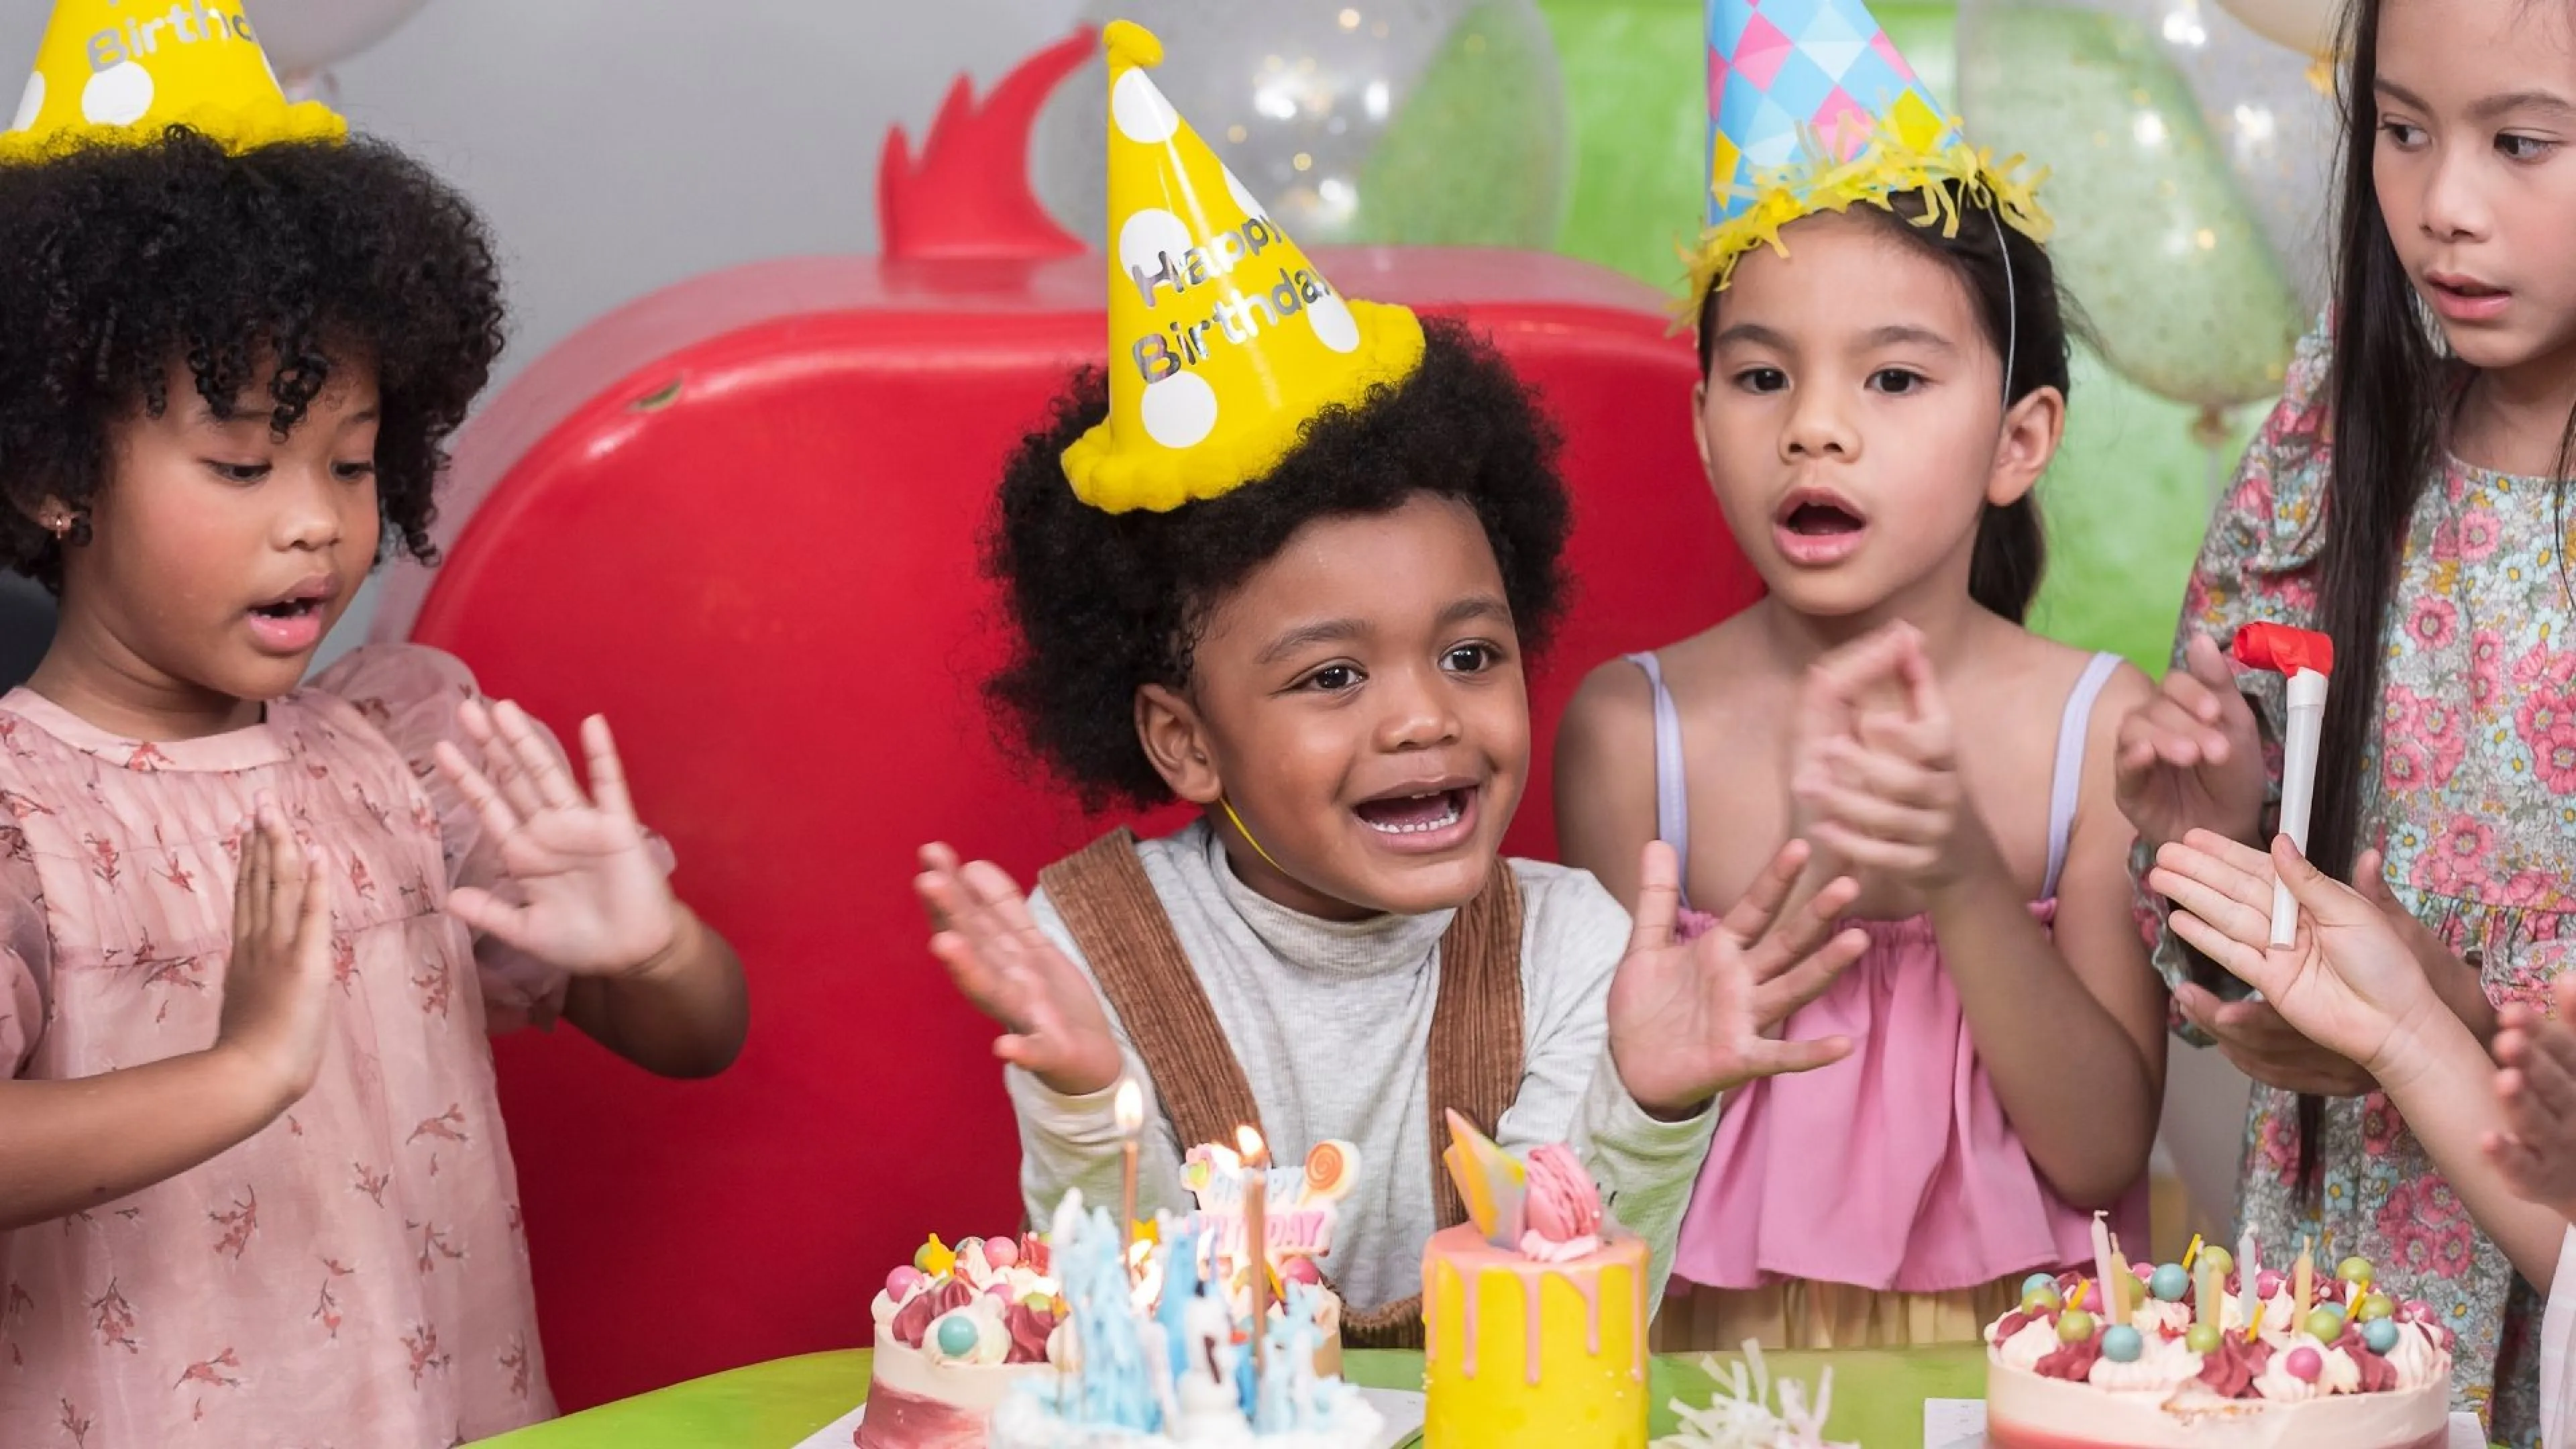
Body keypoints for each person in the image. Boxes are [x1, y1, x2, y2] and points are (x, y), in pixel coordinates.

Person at [914, 21, 1869, 1344]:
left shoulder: (1570, 951)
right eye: (1333, 675)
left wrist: (1644, 1110)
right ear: (1185, 742)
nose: (1426, 716)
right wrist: (1085, 1105)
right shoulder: (1094, 951)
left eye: (1469, 655)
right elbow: (1120, 1350)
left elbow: (1556, 1342)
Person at [0, 7, 749, 1442]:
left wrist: (652, 949)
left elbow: (702, 1038)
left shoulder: (405, 749)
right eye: (241, 465)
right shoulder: (24, 822)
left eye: (350, 465)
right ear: (53, 473)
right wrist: (237, 1074)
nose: (315, 524)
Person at [1552, 0, 2164, 1350]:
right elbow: (1581, 1158)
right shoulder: (1632, 733)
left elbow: (2100, 1154)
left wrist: (1960, 875)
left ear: (2019, 441)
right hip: (1708, 1370)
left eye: (1892, 379)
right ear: (1702, 424)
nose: (1814, 428)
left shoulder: (2093, 728)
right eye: (1761, 377)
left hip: (2009, 1366)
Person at [2108, 0, 2576, 1430]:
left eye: (2522, 143)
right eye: (2401, 130)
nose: (2443, 206)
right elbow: (2226, 920)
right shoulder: (2334, 428)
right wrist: (2213, 831)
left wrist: (2446, 1017)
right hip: (2350, 1276)